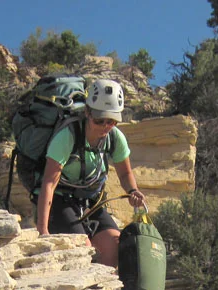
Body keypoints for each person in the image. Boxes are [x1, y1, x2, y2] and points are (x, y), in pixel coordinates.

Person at [35, 79, 146, 267]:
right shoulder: (67, 136)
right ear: (87, 112)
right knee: (82, 247)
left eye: (111, 121)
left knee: (114, 245)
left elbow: (125, 174)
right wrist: (43, 230)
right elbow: (49, 183)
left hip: (90, 200)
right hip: (59, 200)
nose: (105, 126)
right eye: (99, 120)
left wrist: (132, 191)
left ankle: (105, 287)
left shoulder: (115, 137)